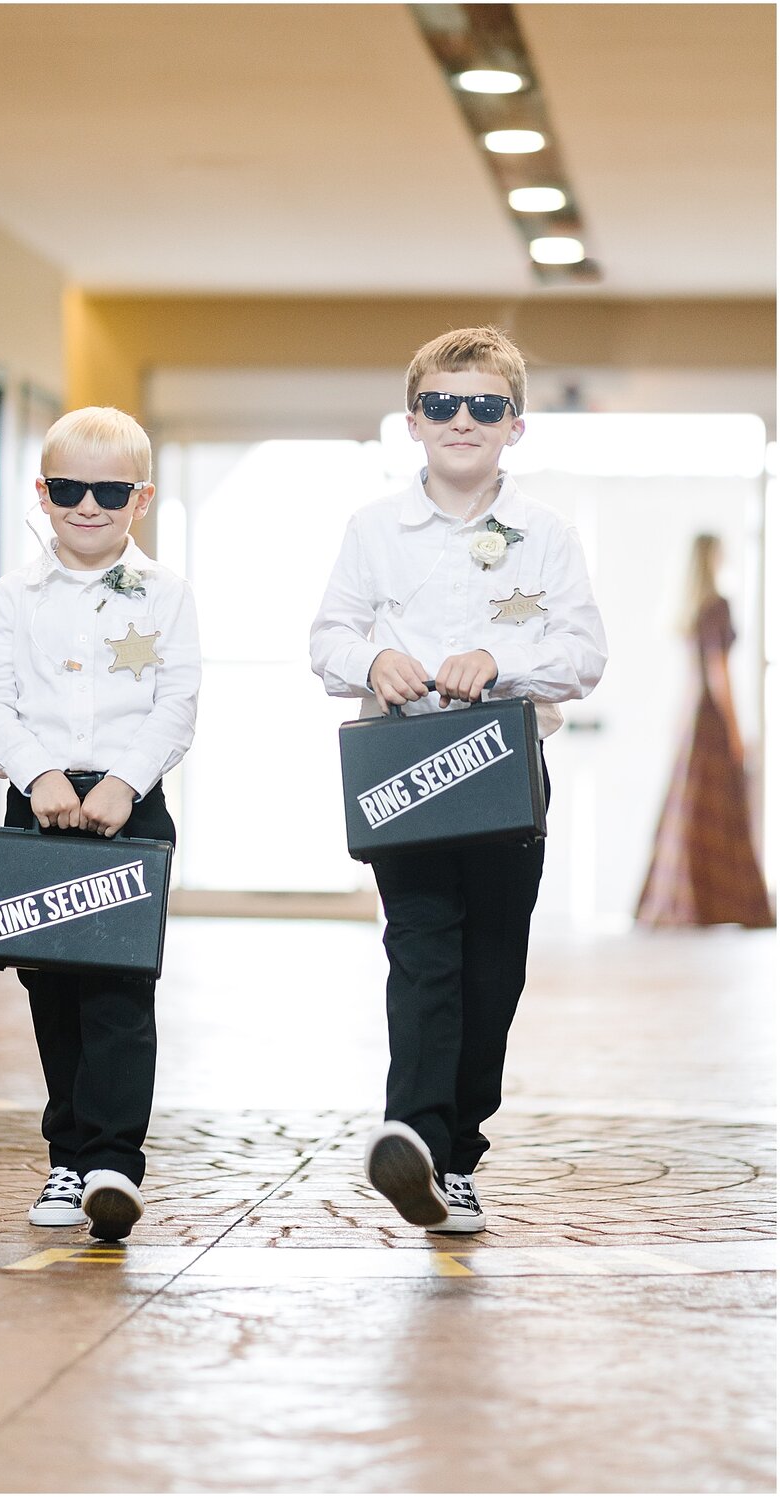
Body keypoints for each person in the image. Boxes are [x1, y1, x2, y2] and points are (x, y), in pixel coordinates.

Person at [310, 326, 607, 1233]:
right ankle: (416, 1136)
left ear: (515, 425)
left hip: (507, 771)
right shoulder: (373, 530)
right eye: (443, 404)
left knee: (492, 968)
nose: (463, 420)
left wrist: (501, 657)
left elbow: (585, 654)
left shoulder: (546, 534)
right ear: (413, 421)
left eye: (485, 405)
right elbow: (327, 639)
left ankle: (459, 1149)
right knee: (422, 949)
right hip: (404, 770)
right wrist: (376, 660)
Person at [0, 406, 200, 1240]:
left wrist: (125, 784)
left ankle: (111, 1164)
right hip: (37, 807)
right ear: (43, 492)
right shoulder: (13, 596)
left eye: (108, 490)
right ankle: (65, 1160)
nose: (88, 506)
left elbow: (176, 703)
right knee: (53, 994)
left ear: (139, 498)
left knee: (118, 994)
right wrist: (39, 774)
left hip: (128, 812)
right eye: (69, 489)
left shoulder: (167, 594)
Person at [635, 533, 772, 927]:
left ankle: (687, 901)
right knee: (717, 807)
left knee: (690, 809)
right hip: (709, 721)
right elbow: (719, 674)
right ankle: (722, 903)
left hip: (690, 719)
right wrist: (734, 728)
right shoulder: (718, 606)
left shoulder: (694, 607)